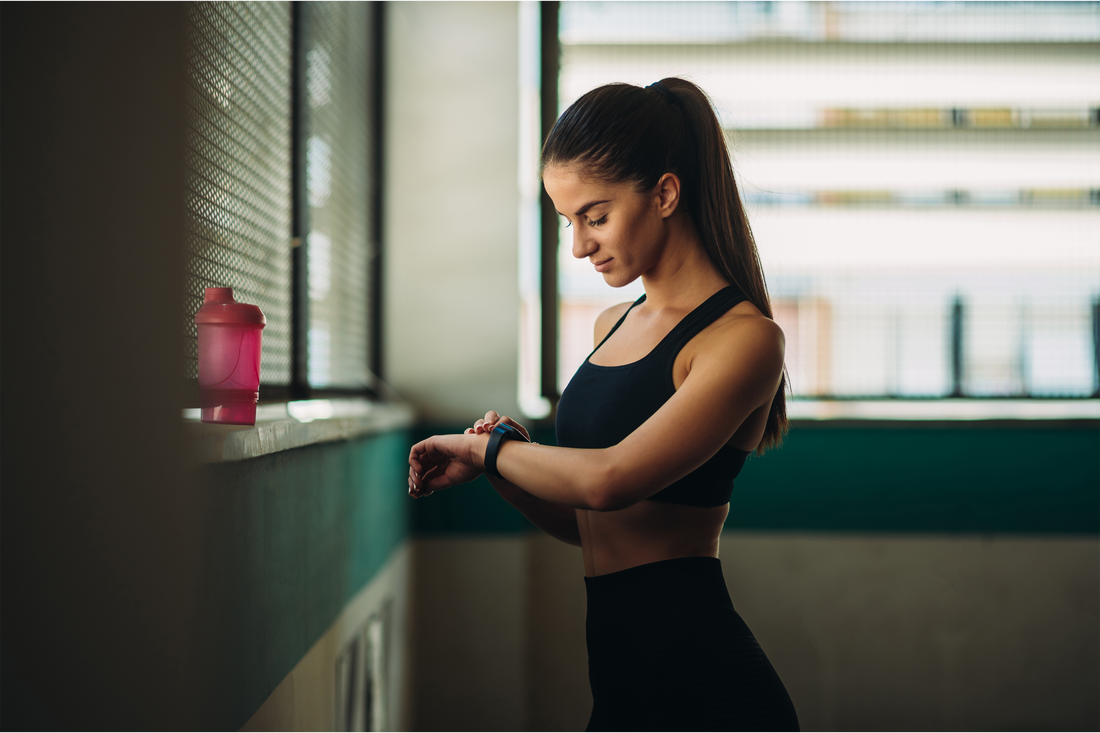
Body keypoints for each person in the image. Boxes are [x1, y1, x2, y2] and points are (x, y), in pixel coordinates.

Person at [408, 77, 799, 732]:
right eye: (567, 221)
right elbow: (586, 522)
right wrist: (503, 469)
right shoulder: (611, 325)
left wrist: (490, 449)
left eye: (595, 215)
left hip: (704, 688)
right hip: (624, 684)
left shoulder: (744, 339)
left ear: (666, 193)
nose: (579, 246)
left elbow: (610, 479)